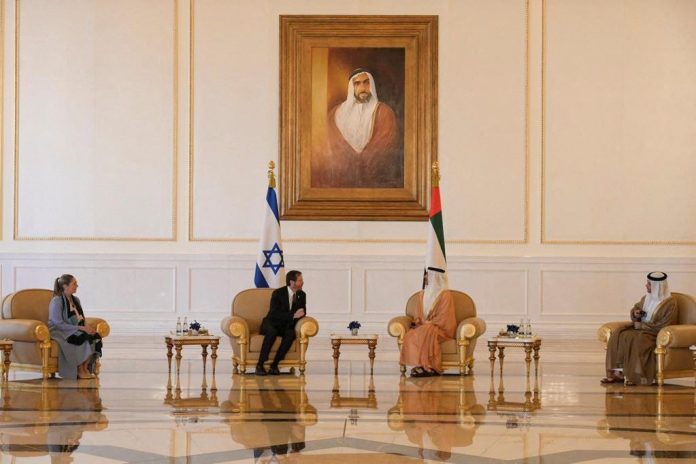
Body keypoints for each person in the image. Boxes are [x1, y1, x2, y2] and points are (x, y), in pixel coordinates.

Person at [312, 68, 402, 188]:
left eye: (366, 82)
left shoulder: (384, 112)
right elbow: (330, 147)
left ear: (372, 85)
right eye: (357, 83)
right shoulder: (335, 114)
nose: (363, 87)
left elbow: (385, 147)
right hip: (341, 183)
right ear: (352, 87)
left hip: (375, 183)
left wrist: (360, 166)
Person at [602, 272, 678, 386]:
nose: (646, 286)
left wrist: (642, 326)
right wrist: (635, 313)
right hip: (642, 330)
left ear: (657, 286)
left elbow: (665, 324)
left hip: (655, 333)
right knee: (618, 334)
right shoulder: (646, 298)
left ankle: (635, 376)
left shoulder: (670, 303)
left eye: (649, 284)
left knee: (636, 339)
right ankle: (617, 373)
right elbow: (636, 308)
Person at [400, 267, 457, 377]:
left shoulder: (445, 295)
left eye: (428, 274)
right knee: (412, 334)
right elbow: (418, 314)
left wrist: (429, 323)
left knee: (426, 331)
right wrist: (419, 322)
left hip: (441, 329)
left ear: (435, 276)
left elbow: (445, 317)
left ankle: (428, 367)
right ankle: (421, 365)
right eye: (426, 274)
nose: (425, 277)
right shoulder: (422, 294)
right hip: (424, 326)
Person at [48, 274, 102, 380]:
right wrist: (80, 328)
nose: (77, 286)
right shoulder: (57, 301)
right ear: (65, 286)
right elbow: (58, 323)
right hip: (60, 331)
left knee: (96, 337)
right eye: (74, 283)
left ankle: (84, 368)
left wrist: (87, 327)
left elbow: (81, 319)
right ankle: (79, 369)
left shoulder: (76, 300)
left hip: (75, 328)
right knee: (82, 337)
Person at [255, 270, 306, 376]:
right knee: (272, 332)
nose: (302, 282)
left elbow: (302, 312)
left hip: (285, 325)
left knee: (291, 334)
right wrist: (293, 315)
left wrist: (300, 314)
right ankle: (260, 365)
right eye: (300, 280)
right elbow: (274, 313)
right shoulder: (278, 293)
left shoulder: (302, 294)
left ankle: (274, 365)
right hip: (271, 323)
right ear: (292, 282)